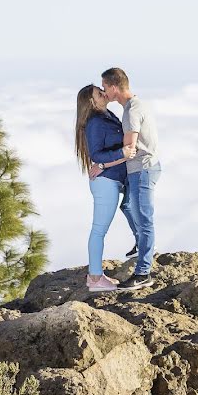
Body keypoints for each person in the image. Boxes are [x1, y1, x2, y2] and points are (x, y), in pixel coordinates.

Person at [101, 67, 161, 290]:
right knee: (127, 205)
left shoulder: (131, 111)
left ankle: (143, 273)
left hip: (142, 170)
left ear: (114, 87)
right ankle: (143, 243)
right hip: (140, 169)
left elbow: (129, 148)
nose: (104, 91)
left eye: (105, 87)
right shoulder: (135, 105)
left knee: (145, 220)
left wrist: (102, 165)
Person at [74, 84, 138, 292]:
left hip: (113, 178)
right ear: (92, 102)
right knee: (99, 230)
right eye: (99, 94)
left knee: (130, 207)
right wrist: (121, 154)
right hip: (105, 182)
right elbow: (96, 155)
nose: (104, 94)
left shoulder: (106, 115)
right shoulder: (95, 122)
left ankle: (141, 244)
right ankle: (94, 278)